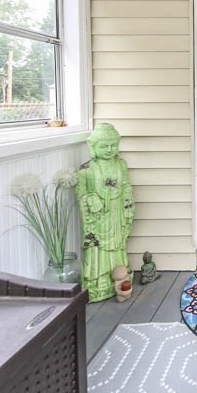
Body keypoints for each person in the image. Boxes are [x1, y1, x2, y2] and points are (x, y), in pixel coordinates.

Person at [76, 123, 135, 302]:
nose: (109, 150)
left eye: (113, 145)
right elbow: (81, 192)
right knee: (98, 248)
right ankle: (99, 281)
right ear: (92, 146)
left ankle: (119, 277)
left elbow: (125, 186)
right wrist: (89, 199)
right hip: (98, 217)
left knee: (117, 245)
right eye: (104, 146)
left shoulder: (121, 165)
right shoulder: (87, 169)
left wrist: (127, 203)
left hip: (116, 214)